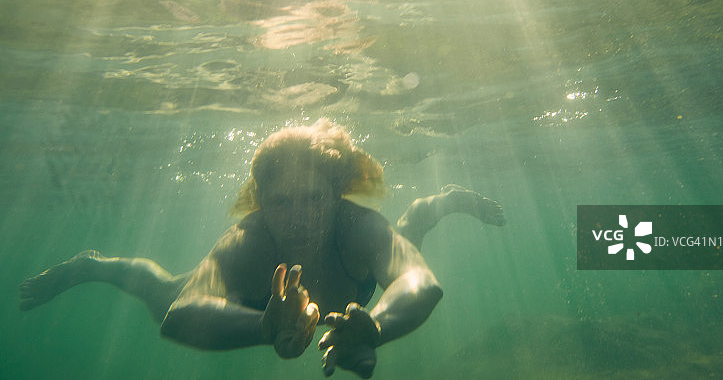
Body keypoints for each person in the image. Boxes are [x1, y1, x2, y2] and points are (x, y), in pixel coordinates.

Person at [19, 119, 505, 378]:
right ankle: (93, 267)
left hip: (356, 284)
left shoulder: (357, 226)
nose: (298, 217)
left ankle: (437, 204)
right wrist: (266, 325)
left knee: (407, 238)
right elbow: (182, 313)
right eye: (280, 202)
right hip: (257, 305)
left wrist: (376, 325)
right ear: (261, 202)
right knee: (161, 290)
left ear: (336, 193)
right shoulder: (249, 239)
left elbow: (422, 283)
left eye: (314, 199)